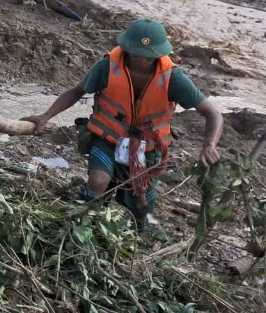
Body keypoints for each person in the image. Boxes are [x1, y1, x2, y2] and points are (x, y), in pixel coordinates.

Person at [21, 19, 223, 229]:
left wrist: (209, 145)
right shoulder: (107, 67)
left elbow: (213, 114)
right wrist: (45, 116)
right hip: (108, 139)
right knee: (98, 182)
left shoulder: (174, 78)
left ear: (157, 55)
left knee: (141, 206)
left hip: (148, 150)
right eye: (134, 52)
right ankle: (81, 226)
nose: (139, 59)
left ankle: (135, 235)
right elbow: (76, 91)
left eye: (146, 56)